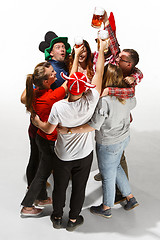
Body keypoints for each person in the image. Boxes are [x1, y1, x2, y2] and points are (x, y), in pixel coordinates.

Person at [31, 39, 108, 231]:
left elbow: (48, 129)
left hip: (63, 155)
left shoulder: (59, 107)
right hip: (84, 155)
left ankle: (57, 217)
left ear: (69, 88)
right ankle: (73, 219)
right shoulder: (91, 101)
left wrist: (38, 123)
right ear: (84, 90)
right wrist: (101, 49)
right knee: (79, 188)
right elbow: (99, 73)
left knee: (60, 187)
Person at [58, 63, 139, 218]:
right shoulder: (127, 97)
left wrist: (69, 130)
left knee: (108, 176)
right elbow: (134, 103)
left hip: (109, 143)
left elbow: (93, 125)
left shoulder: (104, 101)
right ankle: (130, 198)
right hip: (124, 138)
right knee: (115, 167)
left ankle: (106, 207)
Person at [93, 12, 143, 205]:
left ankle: (121, 194)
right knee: (114, 155)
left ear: (128, 64)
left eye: (120, 58)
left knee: (118, 155)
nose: (116, 57)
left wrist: (107, 91)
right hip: (112, 114)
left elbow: (129, 94)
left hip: (118, 117)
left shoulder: (132, 77)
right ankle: (110, 172)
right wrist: (105, 21)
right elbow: (113, 42)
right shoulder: (118, 64)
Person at [21, 31, 71, 196]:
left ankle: (40, 181)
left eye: (63, 46)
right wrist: (37, 110)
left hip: (51, 123)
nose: (62, 49)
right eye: (58, 47)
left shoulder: (63, 66)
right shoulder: (48, 69)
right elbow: (23, 98)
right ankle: (33, 188)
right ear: (50, 52)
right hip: (40, 125)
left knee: (46, 155)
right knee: (36, 156)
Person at [20, 62, 68, 217]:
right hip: (48, 141)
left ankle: (41, 198)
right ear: (46, 81)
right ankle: (27, 206)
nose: (56, 73)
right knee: (42, 174)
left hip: (41, 138)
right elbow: (69, 83)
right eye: (53, 73)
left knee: (42, 170)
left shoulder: (34, 92)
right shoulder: (51, 96)